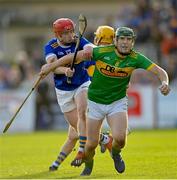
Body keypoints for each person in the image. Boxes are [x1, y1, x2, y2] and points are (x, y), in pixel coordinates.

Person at [40, 26, 171, 176]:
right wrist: (52, 66)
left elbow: (160, 72)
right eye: (121, 39)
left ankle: (115, 153)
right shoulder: (101, 52)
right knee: (90, 145)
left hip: (117, 102)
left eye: (128, 39)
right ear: (115, 40)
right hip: (95, 102)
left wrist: (165, 83)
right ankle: (88, 165)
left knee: (121, 139)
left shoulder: (136, 58)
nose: (125, 42)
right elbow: (72, 58)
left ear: (133, 42)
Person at [45, 19, 113, 171]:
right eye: (66, 33)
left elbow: (89, 46)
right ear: (58, 35)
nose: (70, 35)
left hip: (82, 84)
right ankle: (105, 139)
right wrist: (64, 70)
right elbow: (53, 66)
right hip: (63, 91)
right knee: (77, 128)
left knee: (83, 113)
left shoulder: (78, 40)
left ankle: (81, 151)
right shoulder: (51, 46)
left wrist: (88, 49)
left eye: (71, 31)